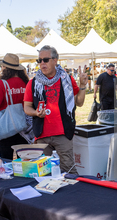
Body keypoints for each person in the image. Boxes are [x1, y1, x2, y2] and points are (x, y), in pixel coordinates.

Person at [24, 45, 87, 174]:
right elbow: (27, 107)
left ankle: (72, 193)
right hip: (41, 135)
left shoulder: (67, 79)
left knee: (69, 171)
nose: (42, 63)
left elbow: (79, 103)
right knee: (44, 173)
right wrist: (36, 112)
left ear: (55, 60)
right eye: (39, 60)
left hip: (63, 133)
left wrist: (82, 86)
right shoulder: (33, 83)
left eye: (45, 60)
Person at [0, 53, 34, 160]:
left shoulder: (2, 84)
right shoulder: (26, 83)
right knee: (25, 161)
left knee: (6, 161)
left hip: (6, 127)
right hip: (25, 127)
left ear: (5, 68)